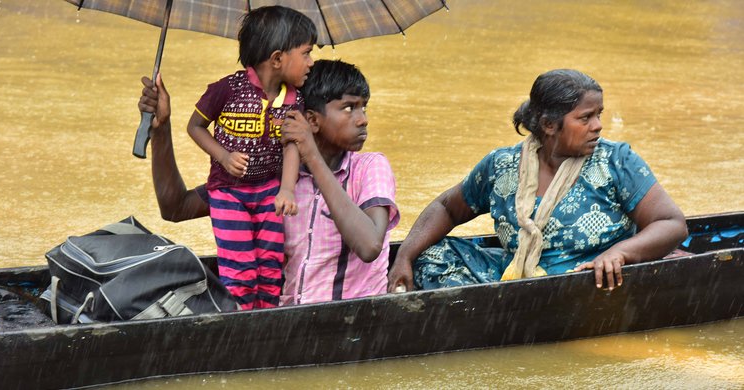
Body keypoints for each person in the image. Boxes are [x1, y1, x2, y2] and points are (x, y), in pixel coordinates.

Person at [387, 69, 688, 293]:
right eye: (585, 118)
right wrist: (404, 256)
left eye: (599, 114)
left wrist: (619, 253)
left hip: (588, 281)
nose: (598, 126)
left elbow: (672, 224)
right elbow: (447, 208)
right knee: (431, 254)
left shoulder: (616, 161)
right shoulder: (502, 165)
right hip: (514, 277)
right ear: (548, 125)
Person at [139, 59, 400, 307]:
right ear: (311, 120)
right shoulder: (273, 175)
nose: (363, 118)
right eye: (348, 107)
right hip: (290, 317)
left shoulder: (370, 167)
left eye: (363, 106)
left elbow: (369, 246)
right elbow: (175, 208)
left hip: (353, 319)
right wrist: (161, 128)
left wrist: (309, 151)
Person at [185, 6, 316, 310]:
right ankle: (240, 322)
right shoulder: (227, 90)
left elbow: (292, 144)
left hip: (270, 190)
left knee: (271, 266)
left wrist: (286, 189)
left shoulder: (295, 98)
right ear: (277, 59)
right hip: (228, 193)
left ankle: (267, 319)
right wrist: (223, 155)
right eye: (306, 53)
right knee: (240, 269)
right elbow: (195, 126)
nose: (311, 62)